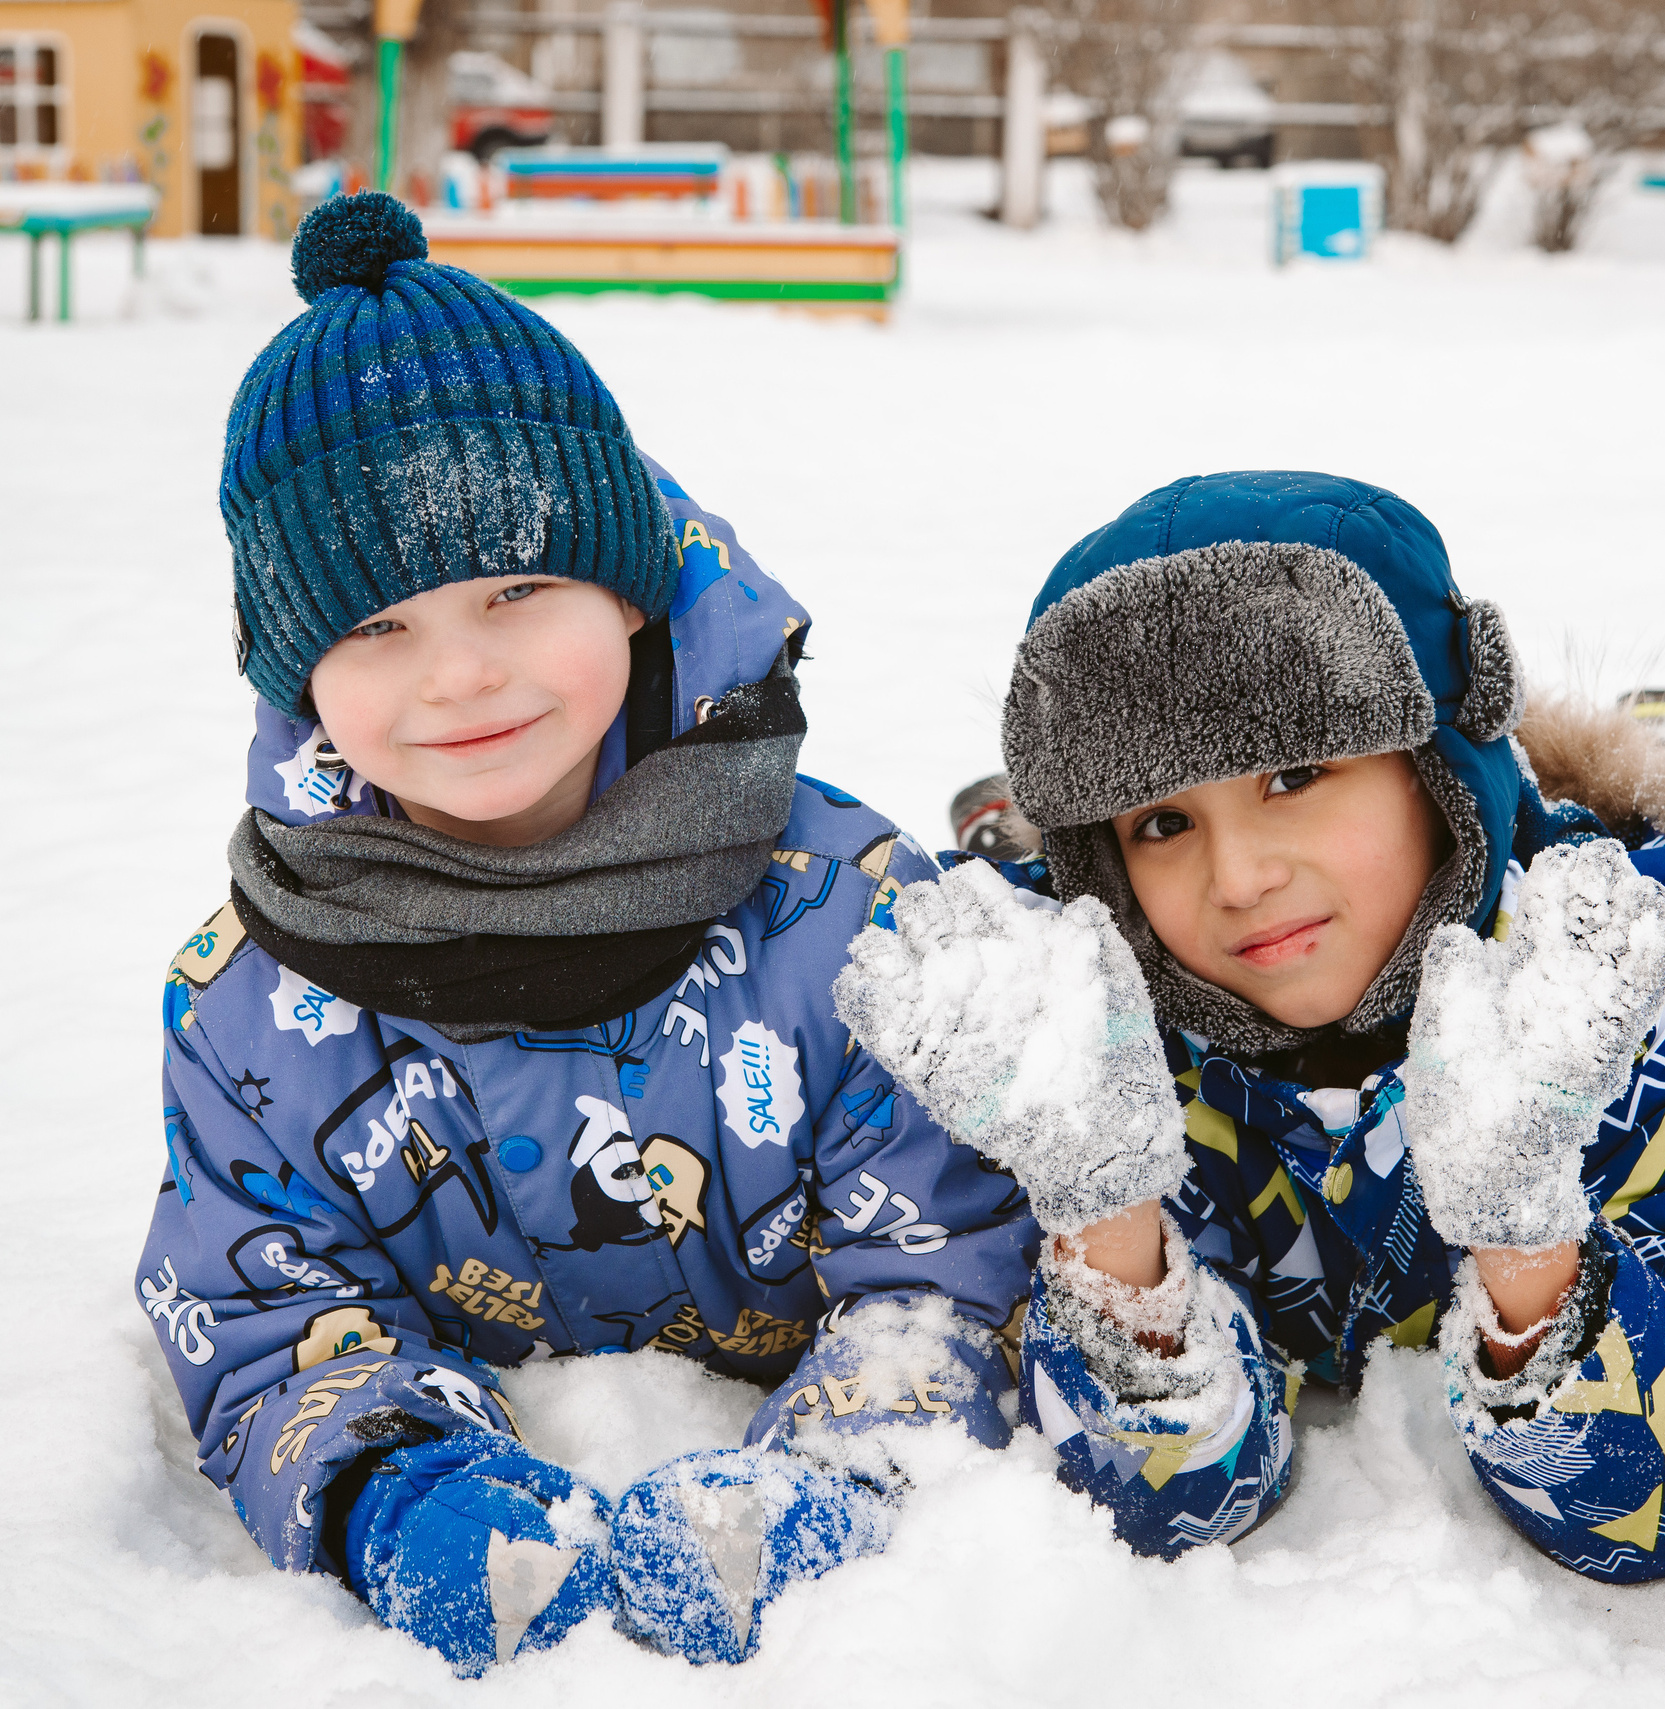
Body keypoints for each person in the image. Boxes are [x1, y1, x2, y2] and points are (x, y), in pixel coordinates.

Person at [137, 194, 1036, 1676]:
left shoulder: (851, 919)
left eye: (517, 587)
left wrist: (831, 1480)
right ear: (302, 677)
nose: (461, 675)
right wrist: (390, 1484)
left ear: (627, 591)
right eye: (376, 628)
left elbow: (949, 1271)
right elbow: (262, 1295)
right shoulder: (252, 1002)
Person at [835, 471, 1665, 1578]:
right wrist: (1107, 1217)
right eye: (1160, 818)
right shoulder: (1105, 1053)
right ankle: (1027, 832)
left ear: (1438, 771)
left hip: (1600, 911)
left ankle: (1654, 750)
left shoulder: (1631, 1011)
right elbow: (1160, 1510)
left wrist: (1523, 1218)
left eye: (1293, 774)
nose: (1239, 875)